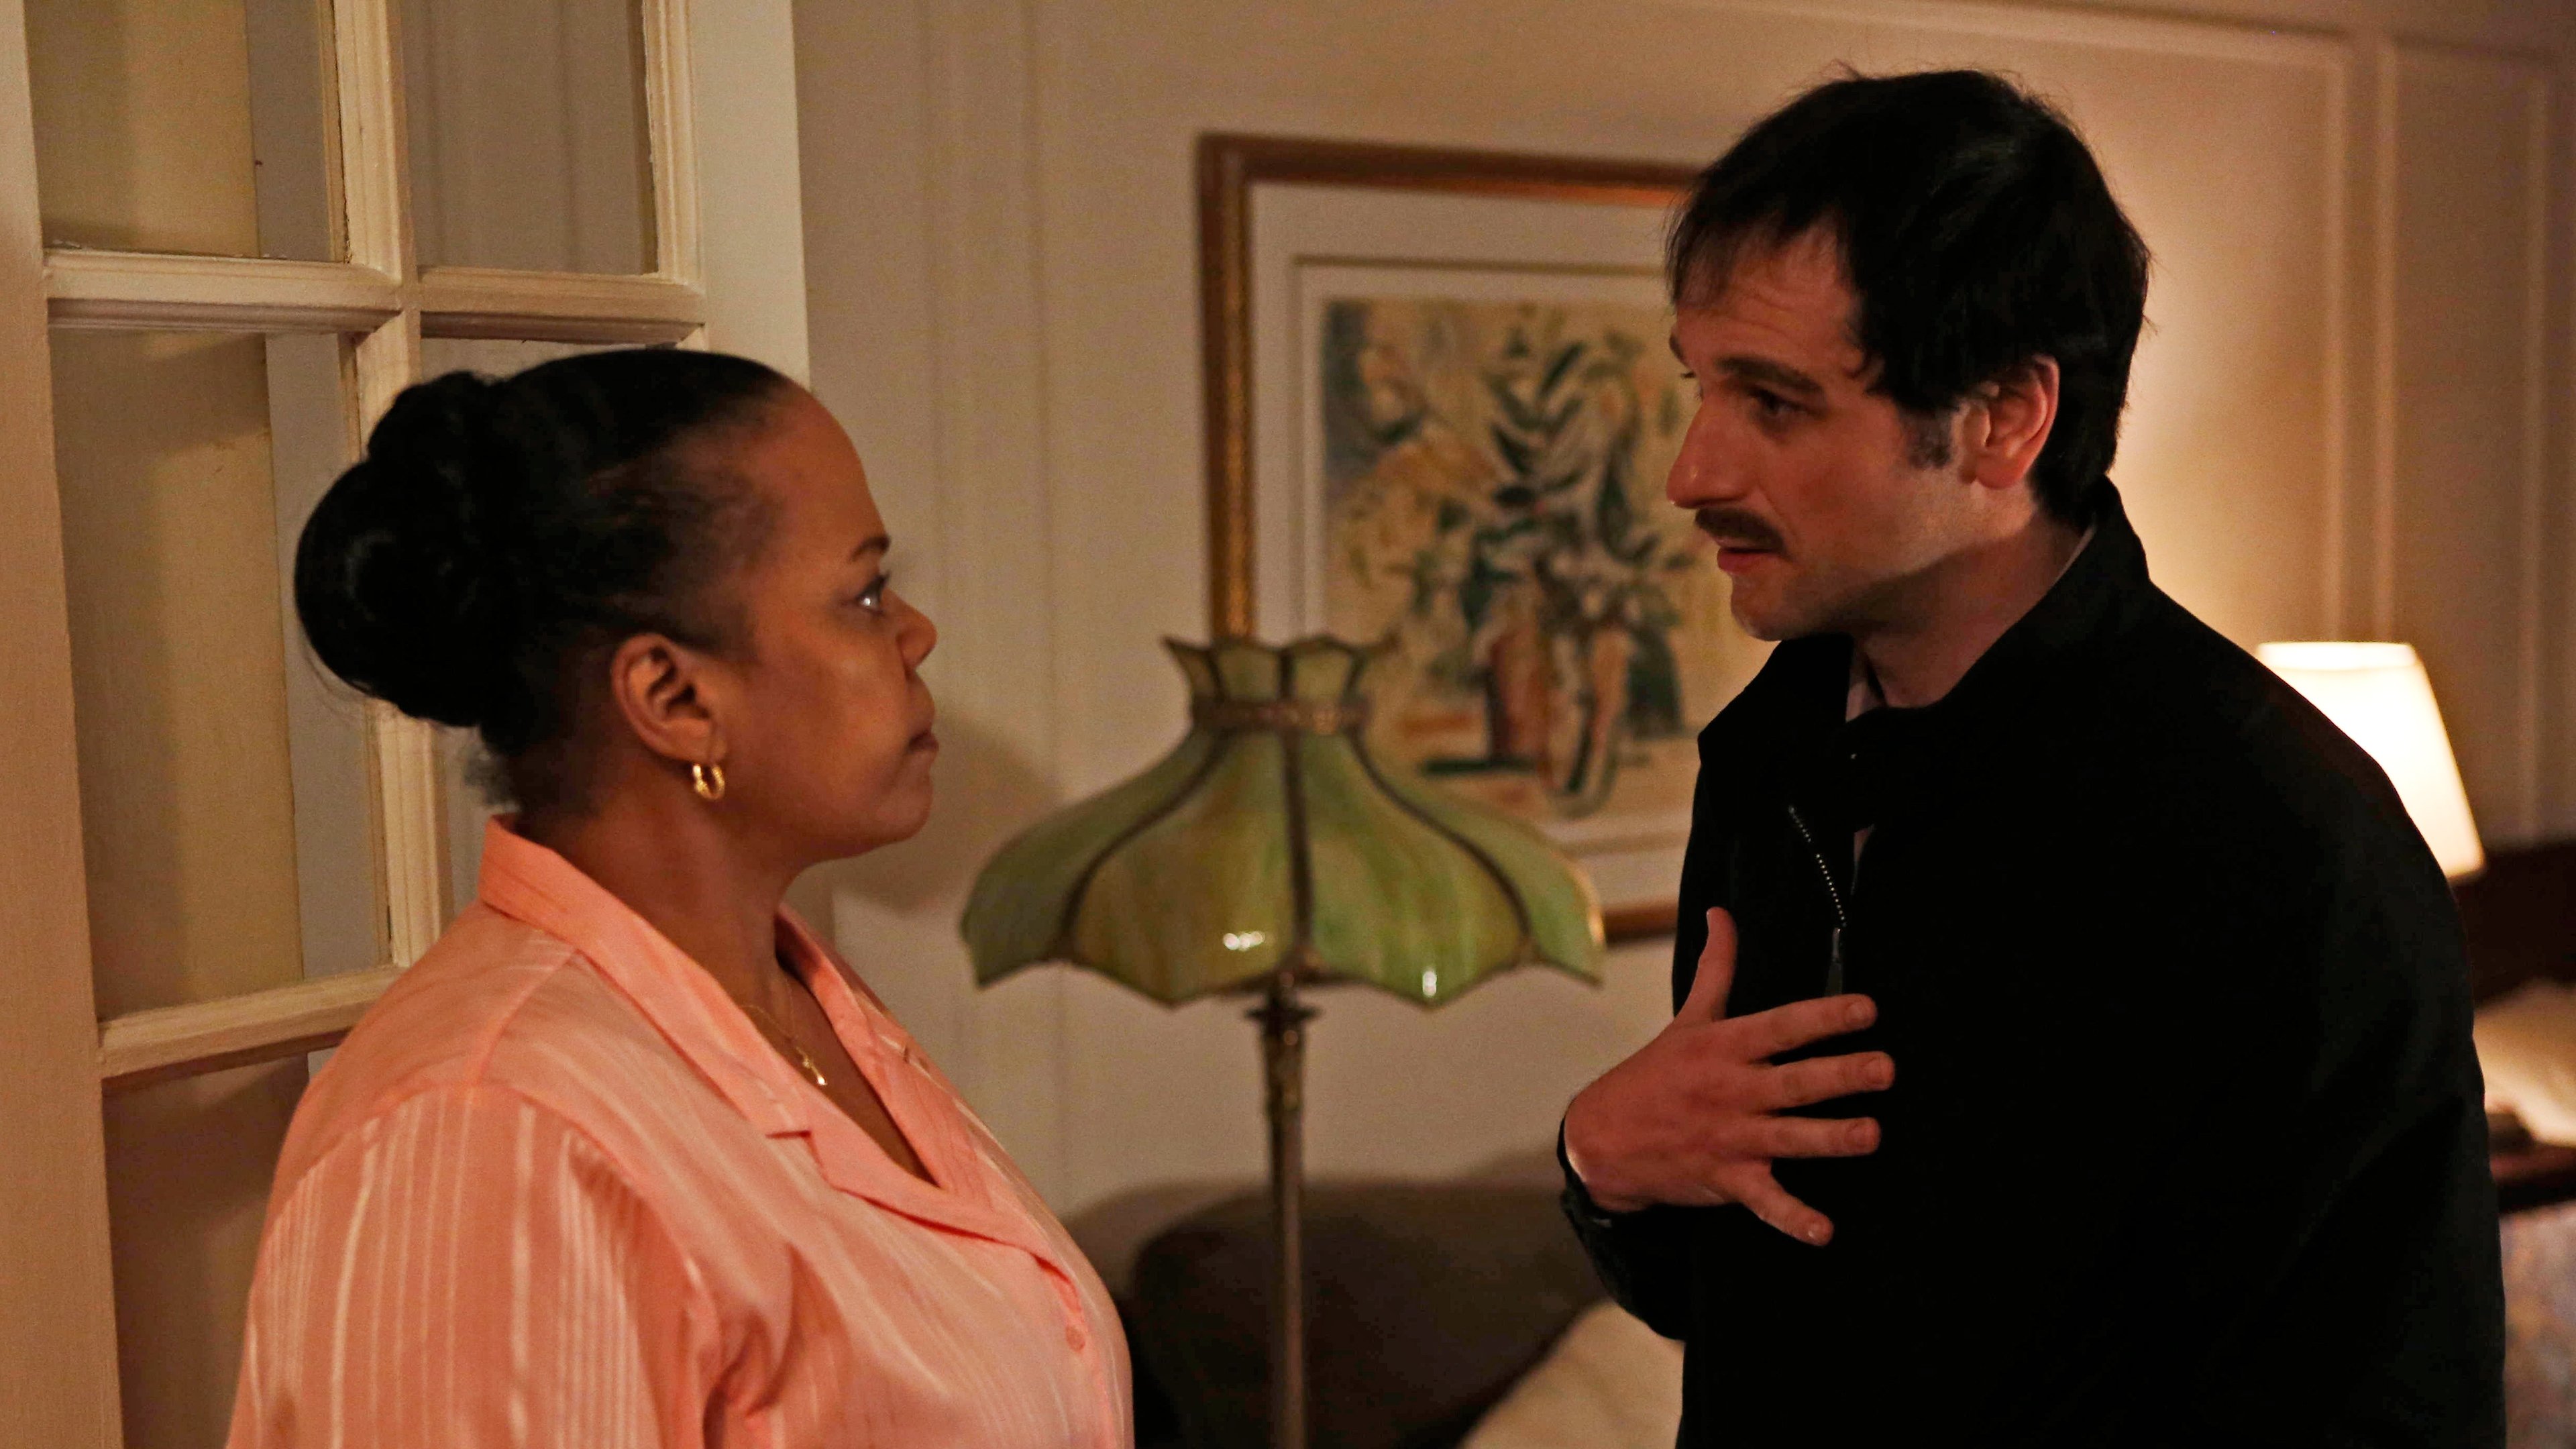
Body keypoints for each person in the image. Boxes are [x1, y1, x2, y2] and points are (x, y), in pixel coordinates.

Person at [1558, 69, 2502, 1444]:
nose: (1691, 472)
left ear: (2004, 418)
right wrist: (1606, 1162)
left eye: (1775, 402)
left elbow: (2395, 1405)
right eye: (1703, 388)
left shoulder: (2282, 841)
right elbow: (1749, 1292)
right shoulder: (1774, 757)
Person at [228, 350, 1128, 1448]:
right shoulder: (493, 1134)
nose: (915, 633)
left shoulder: (795, 1001)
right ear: (674, 697)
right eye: (863, 594)